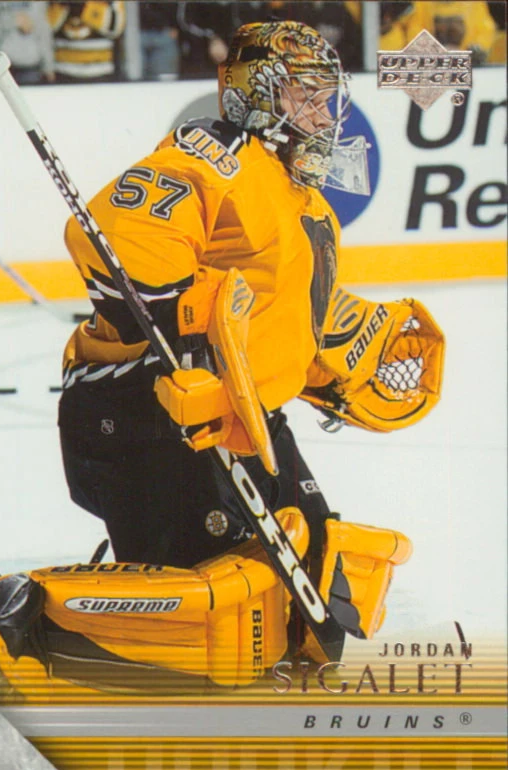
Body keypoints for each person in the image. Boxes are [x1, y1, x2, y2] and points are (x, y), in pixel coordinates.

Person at [50, 19, 444, 676]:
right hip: (150, 413)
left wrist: (343, 358)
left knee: (311, 591)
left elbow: (280, 310)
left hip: (240, 418)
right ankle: (30, 623)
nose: (324, 114)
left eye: (328, 97)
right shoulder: (216, 155)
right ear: (257, 92)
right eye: (306, 95)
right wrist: (185, 330)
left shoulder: (304, 200)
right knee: (213, 622)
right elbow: (113, 233)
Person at [47, 1, 126, 82]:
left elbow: (115, 27)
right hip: (63, 72)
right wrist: (63, 6)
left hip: (101, 72)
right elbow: (47, 27)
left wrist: (84, 9)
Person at [139, 2, 180, 81]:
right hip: (134, 35)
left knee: (165, 80)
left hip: (165, 34)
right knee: (134, 83)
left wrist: (176, 27)